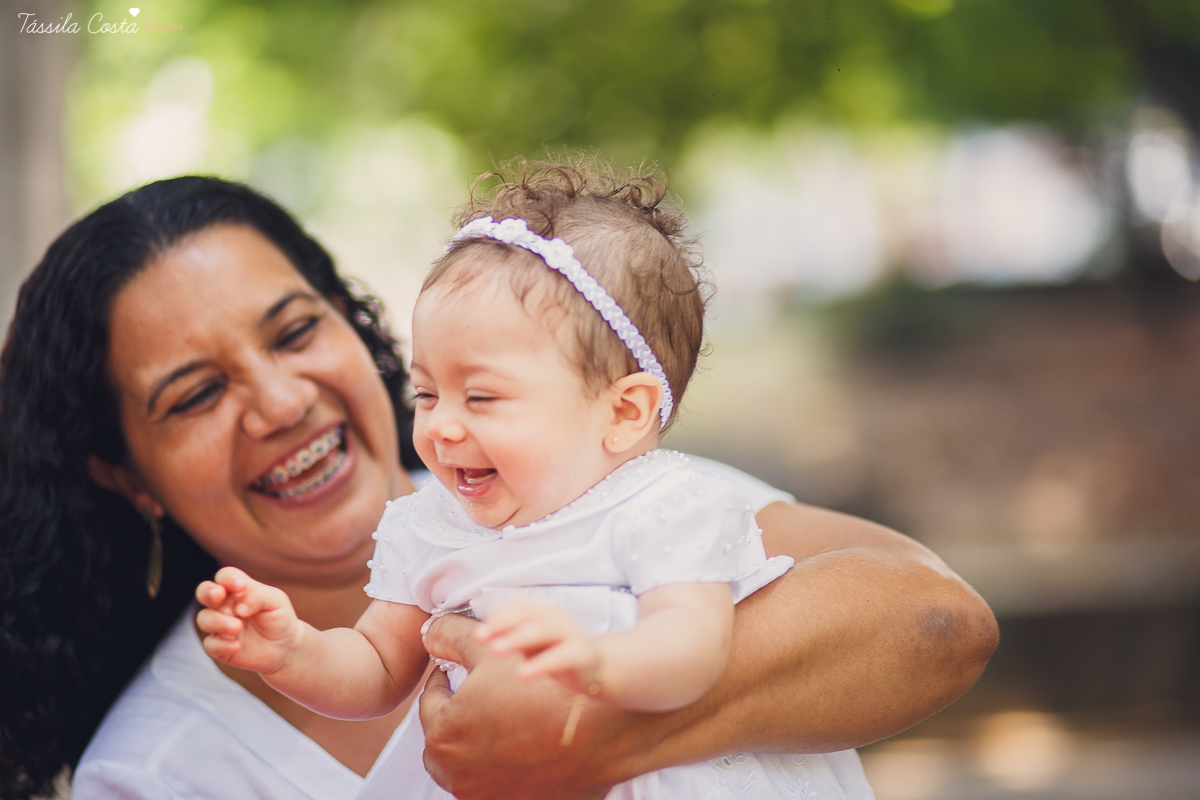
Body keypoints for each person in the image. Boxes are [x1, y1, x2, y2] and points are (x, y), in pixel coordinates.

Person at [0, 174, 998, 800]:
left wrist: (600, 722)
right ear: (124, 473)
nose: (279, 401)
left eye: (296, 331)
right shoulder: (155, 770)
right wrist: (291, 651)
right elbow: (372, 662)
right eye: (195, 394)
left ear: (349, 319)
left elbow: (938, 619)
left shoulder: (629, 493)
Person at [194, 163, 873, 799]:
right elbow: (375, 668)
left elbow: (695, 647)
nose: (440, 426)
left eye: (481, 397)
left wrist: (599, 663)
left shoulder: (662, 506)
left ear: (623, 412)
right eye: (426, 394)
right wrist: (294, 652)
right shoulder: (433, 525)